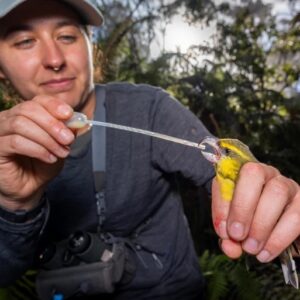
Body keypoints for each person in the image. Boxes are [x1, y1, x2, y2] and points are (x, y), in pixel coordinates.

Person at [0, 0, 299, 299]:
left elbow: (233, 180)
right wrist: (13, 204)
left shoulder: (149, 110)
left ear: (90, 45)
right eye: (25, 41)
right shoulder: (5, 153)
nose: (54, 59)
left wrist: (273, 204)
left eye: (67, 36)